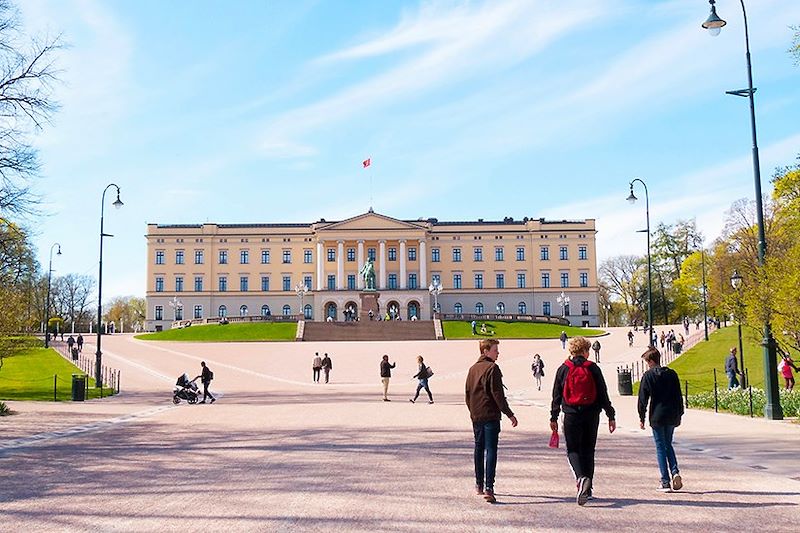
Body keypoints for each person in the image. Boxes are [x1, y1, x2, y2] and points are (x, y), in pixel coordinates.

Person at [550, 336, 616, 506]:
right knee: (588, 450)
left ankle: (581, 478)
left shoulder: (563, 369)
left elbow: (556, 395)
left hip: (571, 413)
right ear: (585, 351)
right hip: (591, 413)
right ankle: (589, 488)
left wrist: (554, 416)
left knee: (573, 449)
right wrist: (610, 414)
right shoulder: (592, 368)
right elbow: (603, 392)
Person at [465, 339, 518, 503]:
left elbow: (467, 394)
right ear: (485, 351)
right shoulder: (492, 368)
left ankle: (479, 484)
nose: (498, 353)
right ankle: (489, 487)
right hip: (490, 415)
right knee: (491, 450)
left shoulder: (472, 369)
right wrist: (510, 414)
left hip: (476, 414)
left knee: (479, 449)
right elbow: (498, 395)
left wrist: (473, 411)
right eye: (495, 350)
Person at [638, 347, 684, 492]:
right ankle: (675, 471)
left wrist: (642, 417)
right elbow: (679, 396)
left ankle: (665, 481)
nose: (647, 365)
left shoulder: (648, 376)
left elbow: (642, 399)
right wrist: (680, 413)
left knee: (660, 447)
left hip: (657, 415)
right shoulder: (672, 374)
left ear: (651, 361)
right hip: (671, 414)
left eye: (647, 362)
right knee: (668, 445)